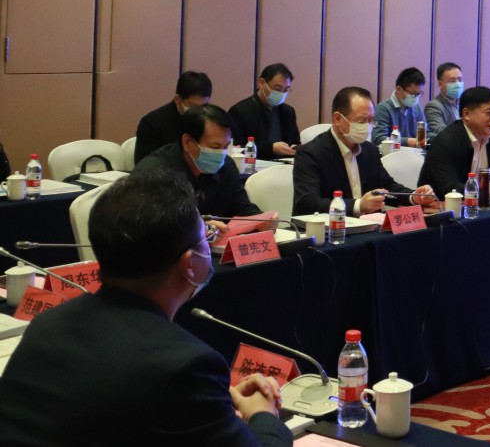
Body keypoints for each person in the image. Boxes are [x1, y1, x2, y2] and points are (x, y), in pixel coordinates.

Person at [0, 168, 292, 446]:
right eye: (206, 236)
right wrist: (263, 414)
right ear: (190, 264)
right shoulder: (184, 366)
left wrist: (212, 403)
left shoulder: (48, 325)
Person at [292, 86, 437, 216]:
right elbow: (307, 202)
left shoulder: (370, 150)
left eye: (371, 121)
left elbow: (387, 187)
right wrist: (358, 205)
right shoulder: (310, 153)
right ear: (337, 119)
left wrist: (413, 196)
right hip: (331, 229)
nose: (367, 127)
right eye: (361, 121)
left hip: (368, 225)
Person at [135, 105, 261, 226]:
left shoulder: (226, 166)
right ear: (187, 142)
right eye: (214, 147)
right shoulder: (154, 174)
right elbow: (152, 228)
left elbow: (242, 208)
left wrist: (261, 220)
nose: (221, 154)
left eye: (225, 147)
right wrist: (200, 229)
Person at [134, 70, 213, 162]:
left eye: (204, 106)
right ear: (177, 99)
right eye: (193, 106)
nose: (199, 111)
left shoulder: (210, 120)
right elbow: (144, 164)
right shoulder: (152, 123)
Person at [228, 63, 301, 160]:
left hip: (284, 164)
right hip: (254, 165)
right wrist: (271, 148)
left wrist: (295, 148)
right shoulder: (240, 111)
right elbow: (237, 149)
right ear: (262, 83)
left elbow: (295, 141)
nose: (281, 94)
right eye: (277, 88)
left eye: (285, 90)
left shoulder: (288, 111)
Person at [374, 66, 427, 146]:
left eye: (418, 94)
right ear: (399, 89)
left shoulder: (417, 107)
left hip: (415, 152)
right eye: (413, 94)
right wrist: (407, 141)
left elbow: (425, 133)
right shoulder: (383, 108)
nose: (416, 97)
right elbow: (378, 138)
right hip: (391, 153)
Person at [424, 62, 464, 141]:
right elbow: (441, 131)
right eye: (452, 81)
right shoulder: (434, 106)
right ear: (440, 84)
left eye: (460, 80)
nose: (458, 84)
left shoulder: (465, 104)